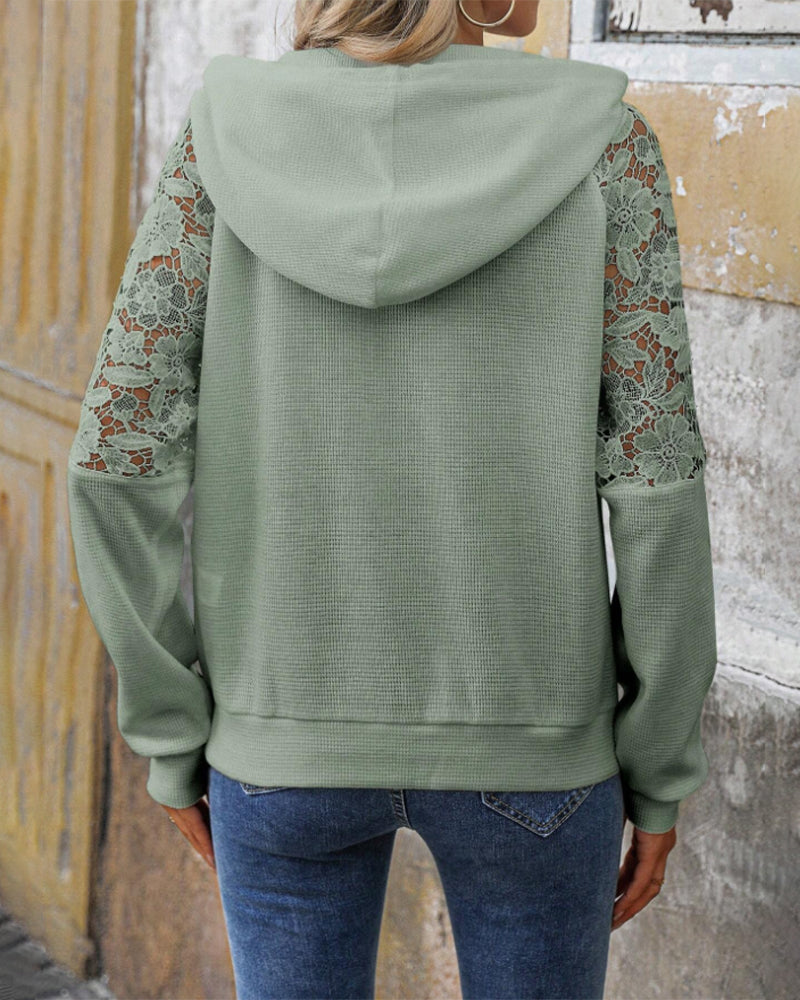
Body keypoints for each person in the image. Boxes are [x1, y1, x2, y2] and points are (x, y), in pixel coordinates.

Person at [65, 1, 718, 997]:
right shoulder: (603, 145)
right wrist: (658, 763)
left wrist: (169, 731)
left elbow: (116, 456)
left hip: (278, 745)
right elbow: (655, 476)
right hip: (535, 747)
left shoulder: (223, 139)